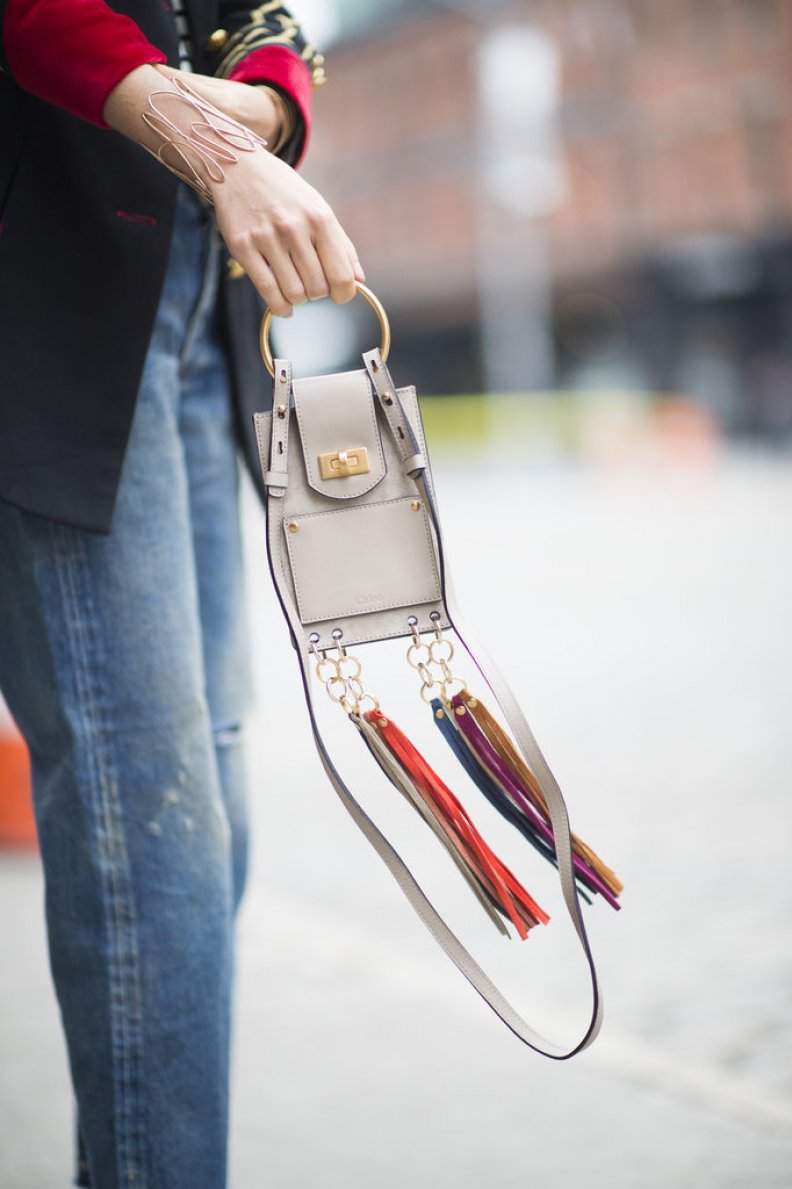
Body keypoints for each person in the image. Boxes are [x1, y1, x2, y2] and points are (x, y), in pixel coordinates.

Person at [0, 3, 363, 1185]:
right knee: (146, 825)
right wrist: (221, 145)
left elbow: (266, 21)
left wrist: (258, 110)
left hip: (200, 296)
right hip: (56, 278)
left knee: (206, 811)